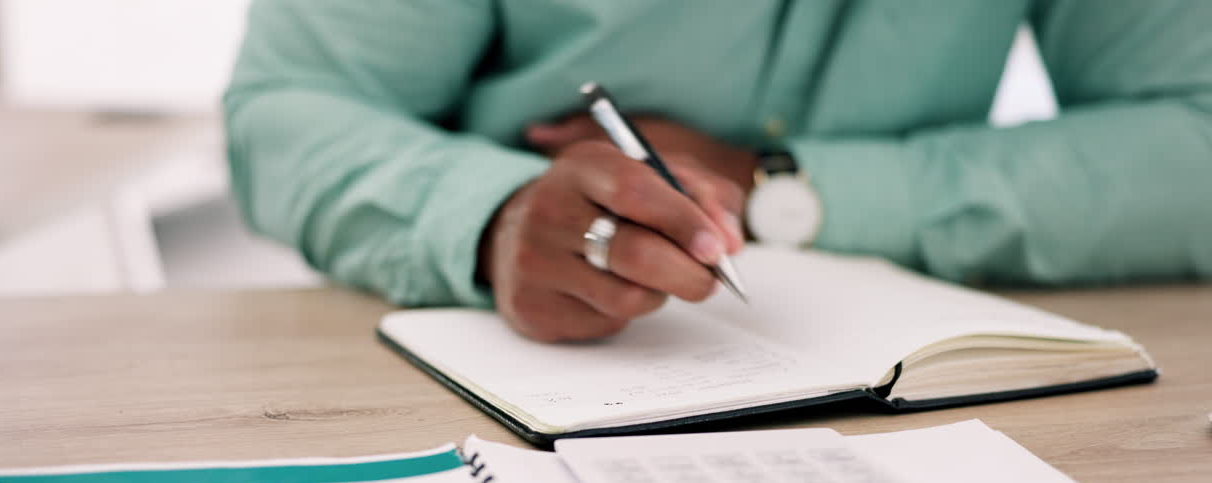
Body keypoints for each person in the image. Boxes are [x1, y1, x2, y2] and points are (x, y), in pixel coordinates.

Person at [225, 1, 1212, 342]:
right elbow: (288, 109)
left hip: (918, 385)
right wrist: (494, 217)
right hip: (504, 365)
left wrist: (787, 188)